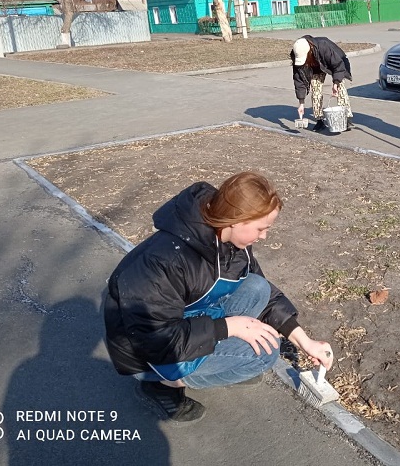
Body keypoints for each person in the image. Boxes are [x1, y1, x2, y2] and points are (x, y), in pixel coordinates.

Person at [103, 172, 334, 423]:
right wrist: (229, 327)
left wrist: (305, 341)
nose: (264, 236)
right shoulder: (164, 261)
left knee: (257, 287)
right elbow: (156, 340)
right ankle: (163, 385)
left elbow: (264, 292)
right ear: (236, 220)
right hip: (149, 352)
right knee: (266, 354)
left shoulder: (230, 242)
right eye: (261, 228)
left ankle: (225, 362)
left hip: (187, 318)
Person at [291, 35, 354, 132]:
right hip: (316, 69)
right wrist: (301, 103)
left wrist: (335, 83)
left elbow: (338, 66)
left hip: (335, 63)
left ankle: (346, 118)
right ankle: (319, 120)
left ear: (310, 50)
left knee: (340, 87)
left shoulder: (323, 47)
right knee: (316, 90)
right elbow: (299, 80)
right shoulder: (296, 53)